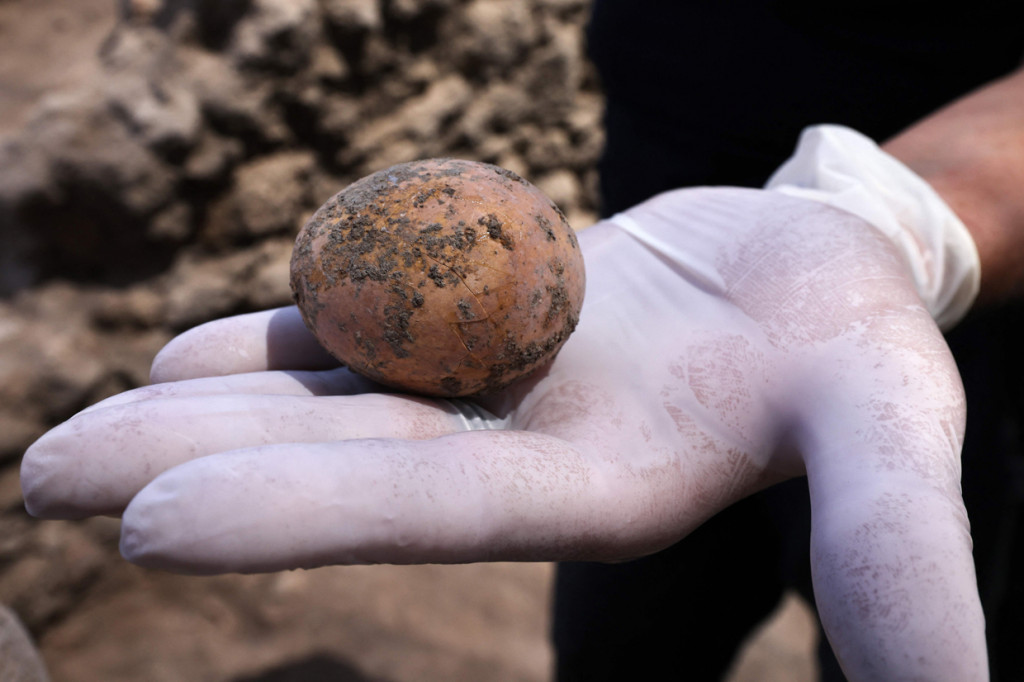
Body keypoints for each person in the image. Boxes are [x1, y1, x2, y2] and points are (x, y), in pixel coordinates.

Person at [19, 4, 1024, 682]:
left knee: (877, 586)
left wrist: (903, 213)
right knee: (622, 626)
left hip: (915, 297)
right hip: (663, 221)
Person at [554, 3, 1024, 680]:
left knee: (888, 613)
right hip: (650, 262)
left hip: (919, 309)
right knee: (616, 641)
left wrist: (890, 218)